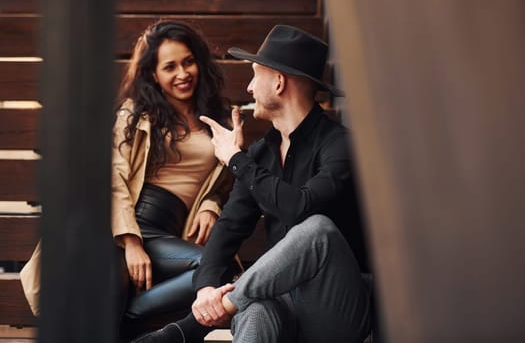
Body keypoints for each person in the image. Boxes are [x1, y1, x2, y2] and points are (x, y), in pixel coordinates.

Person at [133, 24, 372, 343]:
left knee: (317, 230)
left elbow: (300, 208)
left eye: (254, 75)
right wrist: (206, 293)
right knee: (256, 308)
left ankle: (190, 329)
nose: (248, 88)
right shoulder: (261, 155)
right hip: (285, 305)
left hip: (335, 309)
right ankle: (211, 315)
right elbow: (228, 229)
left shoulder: (339, 145)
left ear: (278, 81)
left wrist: (235, 159)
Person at [112, 20, 240, 340]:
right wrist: (131, 242)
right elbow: (113, 177)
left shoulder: (218, 118)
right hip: (136, 226)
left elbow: (223, 183)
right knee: (214, 270)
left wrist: (211, 203)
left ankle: (129, 314)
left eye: (188, 61)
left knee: (221, 272)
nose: (182, 74)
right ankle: (136, 323)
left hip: (174, 230)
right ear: (154, 75)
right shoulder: (136, 114)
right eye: (170, 67)